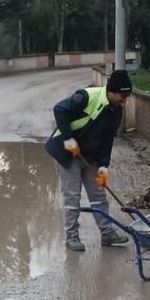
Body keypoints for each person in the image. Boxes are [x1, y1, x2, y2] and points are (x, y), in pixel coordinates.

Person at [44, 70, 133, 251]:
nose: (124, 101)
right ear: (112, 91)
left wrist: (103, 166)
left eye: (127, 97)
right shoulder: (86, 97)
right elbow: (59, 109)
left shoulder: (117, 111)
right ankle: (72, 236)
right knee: (73, 195)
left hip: (90, 155)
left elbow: (108, 139)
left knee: (99, 193)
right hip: (68, 152)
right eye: (122, 96)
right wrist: (69, 139)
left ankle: (107, 234)